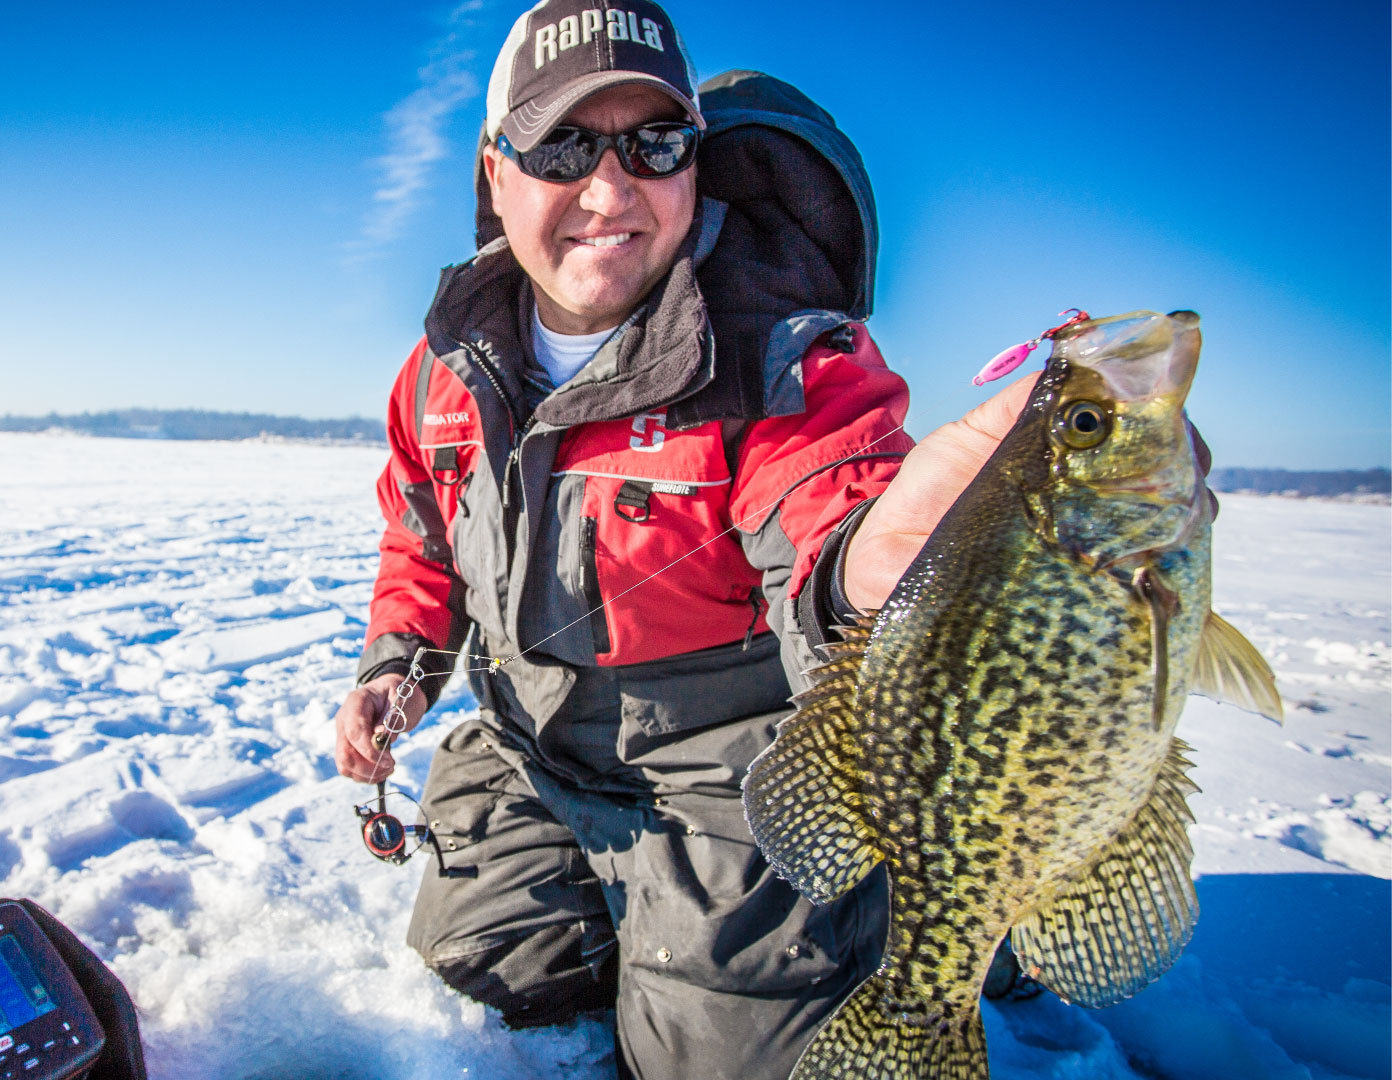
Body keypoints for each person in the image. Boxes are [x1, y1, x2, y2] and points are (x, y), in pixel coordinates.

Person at [333, 2, 1044, 1076]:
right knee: (481, 968)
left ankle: (920, 902)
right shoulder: (442, 370)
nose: (610, 191)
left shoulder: (784, 352)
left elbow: (830, 510)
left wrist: (879, 572)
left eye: (653, 144)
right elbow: (423, 540)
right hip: (535, 754)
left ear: (693, 163)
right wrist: (398, 665)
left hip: (734, 781)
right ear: (496, 169)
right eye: (565, 145)